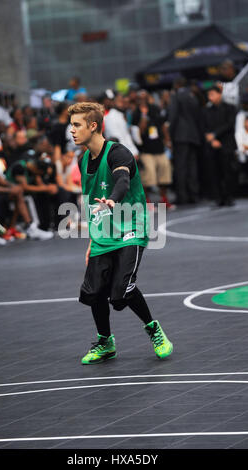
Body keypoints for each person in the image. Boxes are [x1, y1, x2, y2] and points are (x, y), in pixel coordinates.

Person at [68, 101, 173, 364]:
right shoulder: (83, 161)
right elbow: (93, 202)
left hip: (131, 228)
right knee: (93, 292)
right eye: (71, 125)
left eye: (77, 125)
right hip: (103, 233)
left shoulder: (118, 153)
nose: (72, 130)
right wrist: (92, 240)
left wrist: (114, 199)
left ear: (93, 126)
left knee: (120, 293)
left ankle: (154, 330)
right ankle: (105, 343)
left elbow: (123, 180)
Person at [169, 78, 202, 204]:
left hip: (180, 136)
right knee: (192, 167)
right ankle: (194, 194)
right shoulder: (192, 96)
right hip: (193, 136)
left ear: (177, 85)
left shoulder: (177, 96)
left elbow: (173, 116)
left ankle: (182, 196)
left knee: (181, 167)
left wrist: (170, 135)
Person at [204, 85, 237, 206]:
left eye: (212, 94)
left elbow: (230, 124)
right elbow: (204, 126)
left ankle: (229, 196)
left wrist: (215, 135)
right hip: (212, 146)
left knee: (228, 171)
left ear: (219, 94)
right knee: (214, 172)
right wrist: (212, 139)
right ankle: (219, 197)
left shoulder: (230, 108)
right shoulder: (206, 110)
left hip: (226, 144)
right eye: (209, 95)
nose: (210, 97)